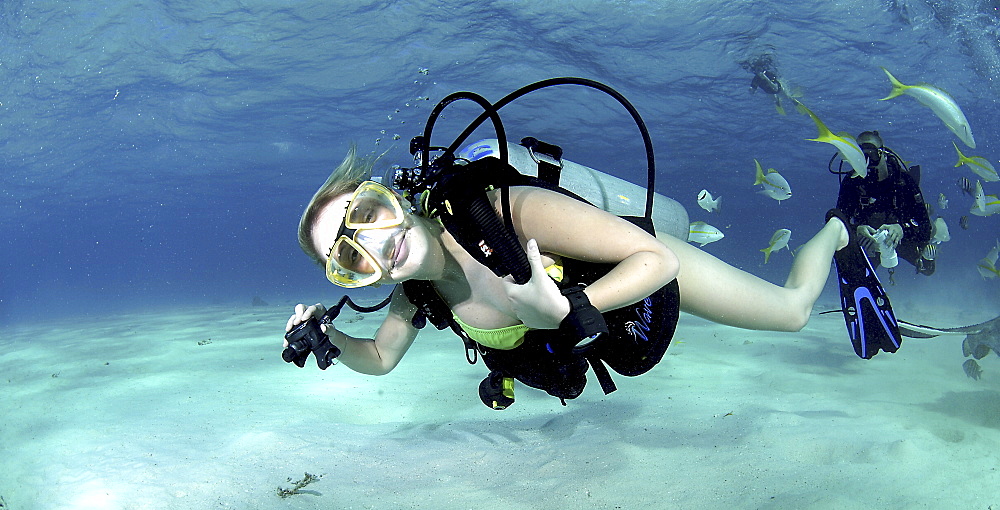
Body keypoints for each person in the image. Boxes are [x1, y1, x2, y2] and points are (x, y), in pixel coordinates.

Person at [285, 141, 890, 408]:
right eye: (348, 254)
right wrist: (326, 339)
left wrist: (571, 305)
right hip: (616, 316)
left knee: (793, 312)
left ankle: (839, 228)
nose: (376, 244)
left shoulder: (502, 211)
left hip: (637, 258)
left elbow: (659, 261)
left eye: (366, 215)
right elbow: (381, 359)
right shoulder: (418, 293)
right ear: (352, 278)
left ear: (393, 198)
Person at [835, 130, 937, 276]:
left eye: (872, 154)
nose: (867, 162)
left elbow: (924, 226)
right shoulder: (851, 183)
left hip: (903, 239)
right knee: (851, 273)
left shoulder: (902, 180)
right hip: (868, 243)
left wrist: (902, 229)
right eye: (861, 156)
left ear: (882, 153)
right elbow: (839, 220)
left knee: (928, 269)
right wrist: (856, 230)